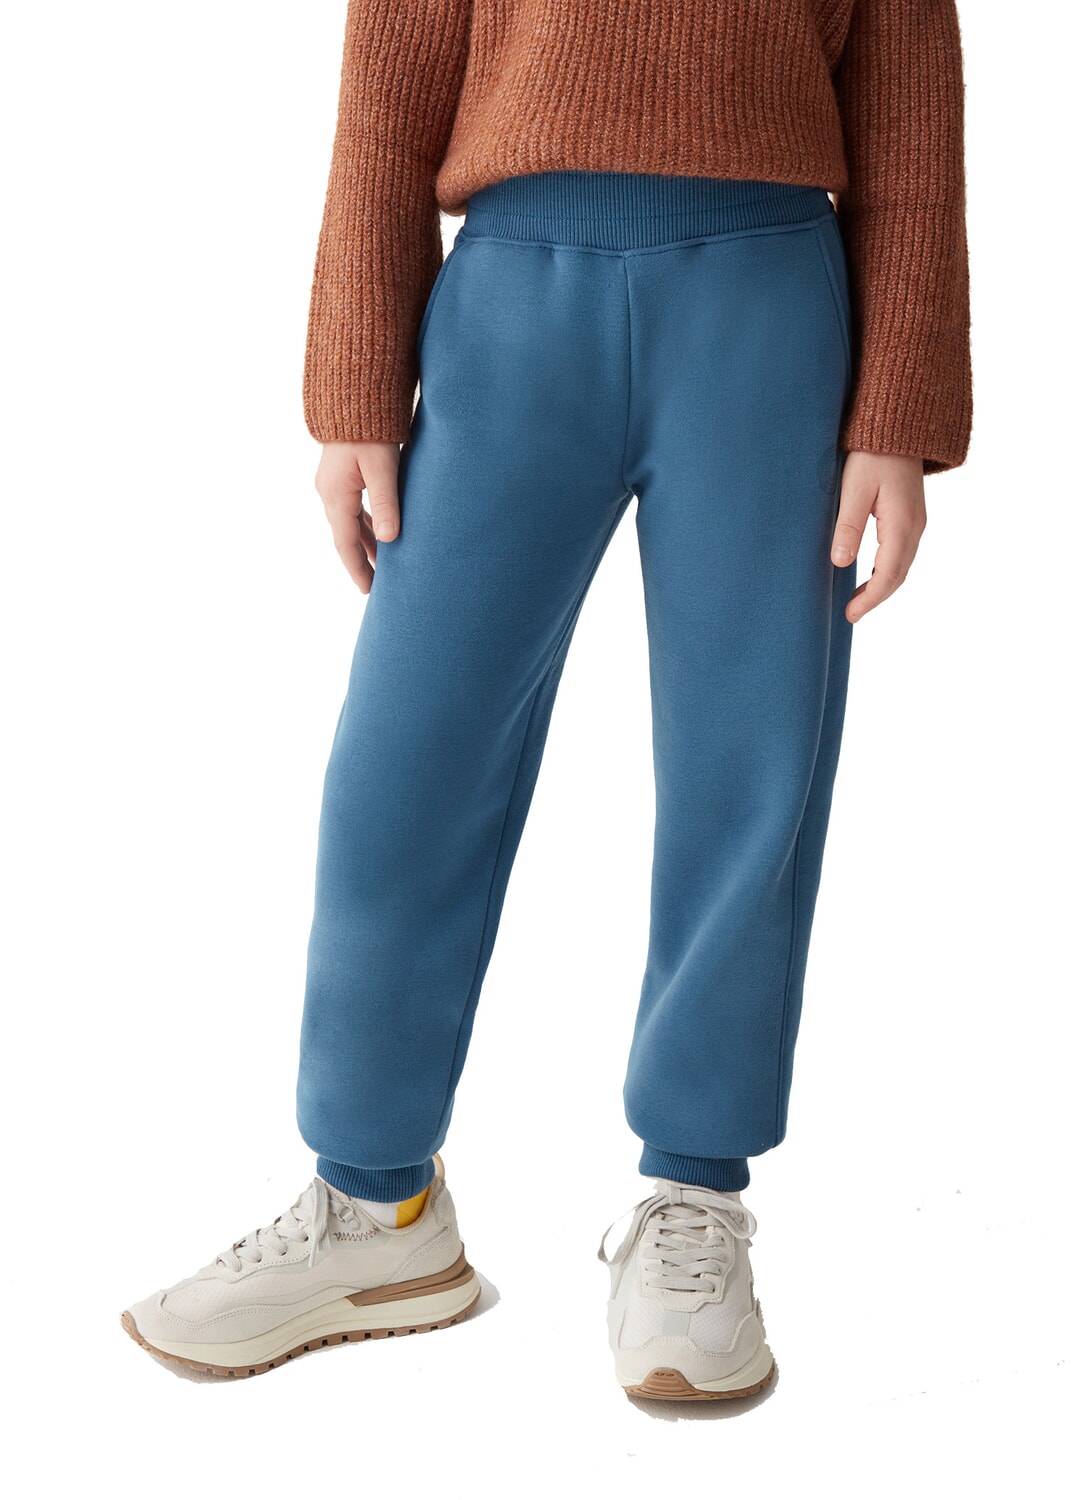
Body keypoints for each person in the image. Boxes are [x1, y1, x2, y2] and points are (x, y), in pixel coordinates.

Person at [122, 0, 972, 1399]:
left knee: (750, 767)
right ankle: (375, 1207)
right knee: (404, 763)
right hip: (510, 301)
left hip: (765, 300)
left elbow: (909, 111)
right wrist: (352, 385)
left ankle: (694, 1197)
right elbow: (389, 89)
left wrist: (901, 409)